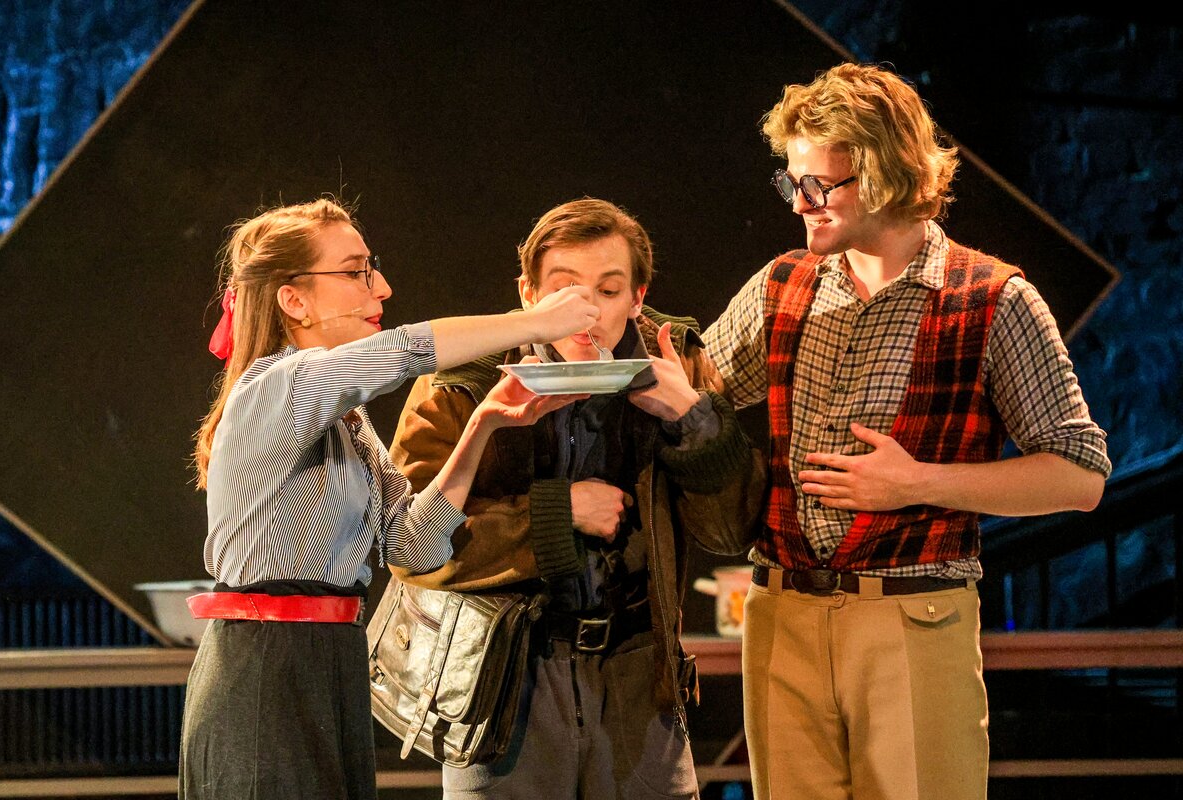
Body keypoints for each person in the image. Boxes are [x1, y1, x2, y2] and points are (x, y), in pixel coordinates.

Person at [703, 63, 1112, 800]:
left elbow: (1079, 476)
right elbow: (695, 385)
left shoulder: (992, 298)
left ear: (884, 175)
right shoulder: (783, 283)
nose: (800, 203)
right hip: (781, 615)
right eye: (792, 181)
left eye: (818, 185)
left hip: (911, 615)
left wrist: (917, 482)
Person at [179, 197, 600, 800]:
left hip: (333, 660)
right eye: (357, 272)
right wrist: (535, 322)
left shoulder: (346, 421)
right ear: (294, 300)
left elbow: (415, 546)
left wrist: (480, 428)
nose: (382, 287)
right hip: (266, 665)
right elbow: (404, 351)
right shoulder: (274, 386)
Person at [384, 198, 765, 800]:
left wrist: (692, 420)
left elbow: (731, 531)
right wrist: (557, 513)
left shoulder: (676, 364)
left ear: (637, 298)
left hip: (639, 674)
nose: (587, 311)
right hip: (503, 679)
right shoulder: (465, 376)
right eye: (564, 290)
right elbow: (412, 549)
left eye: (609, 291)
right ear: (528, 295)